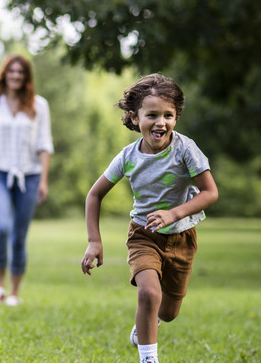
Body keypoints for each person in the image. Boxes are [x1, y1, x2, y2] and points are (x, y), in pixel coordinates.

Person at [81, 73, 219, 363]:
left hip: (182, 236)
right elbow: (94, 195)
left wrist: (173, 213)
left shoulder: (186, 150)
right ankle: (148, 358)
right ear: (134, 118)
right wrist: (94, 241)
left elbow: (209, 193)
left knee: (168, 312)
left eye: (168, 115)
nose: (161, 122)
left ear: (176, 117)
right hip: (143, 235)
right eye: (152, 115)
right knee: (148, 293)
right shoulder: (128, 157)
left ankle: (149, 322)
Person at [0, 54, 53, 306]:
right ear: (4, 74)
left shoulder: (39, 105)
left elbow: (44, 144)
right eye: (12, 72)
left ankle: (15, 292)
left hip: (29, 176)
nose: (16, 76)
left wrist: (43, 180)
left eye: (21, 72)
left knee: (19, 235)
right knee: (1, 228)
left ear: (26, 77)